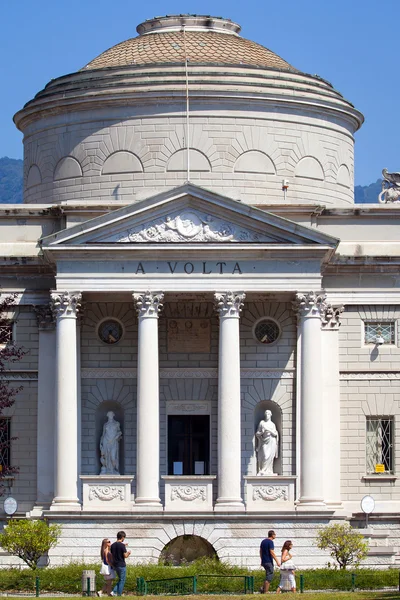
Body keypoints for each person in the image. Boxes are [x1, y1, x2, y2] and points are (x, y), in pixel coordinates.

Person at [256, 410, 279, 476]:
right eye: (266, 413)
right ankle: (263, 469)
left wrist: (270, 431)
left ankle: (269, 470)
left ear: (270, 415)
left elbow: (275, 434)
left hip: (272, 441)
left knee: (270, 457)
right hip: (264, 441)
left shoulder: (272, 424)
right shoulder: (262, 423)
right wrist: (262, 432)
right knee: (265, 456)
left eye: (268, 414)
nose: (267, 415)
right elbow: (257, 433)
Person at [110, 531, 131, 596]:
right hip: (121, 565)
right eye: (124, 537)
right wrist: (129, 553)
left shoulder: (112, 545)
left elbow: (115, 551)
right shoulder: (122, 546)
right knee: (122, 580)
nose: (124, 539)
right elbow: (125, 556)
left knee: (120, 579)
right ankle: (118, 594)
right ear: (122, 537)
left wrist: (124, 545)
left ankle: (113, 592)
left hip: (115, 565)